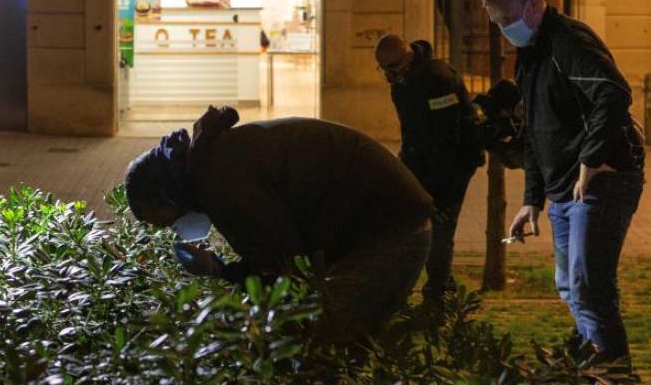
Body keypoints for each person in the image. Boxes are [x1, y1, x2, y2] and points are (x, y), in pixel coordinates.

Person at [482, 0, 645, 385]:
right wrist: (532, 199)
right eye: (498, 24)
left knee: (591, 290)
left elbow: (613, 94)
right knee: (574, 289)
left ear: (534, 3)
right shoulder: (531, 55)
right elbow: (535, 132)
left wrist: (592, 159)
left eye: (509, 19)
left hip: (601, 181)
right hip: (565, 190)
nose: (505, 30)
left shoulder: (567, 40)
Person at [125, 106, 434, 344]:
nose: (171, 228)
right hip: (388, 221)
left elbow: (284, 270)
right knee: (341, 341)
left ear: (167, 194)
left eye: (162, 219)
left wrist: (223, 272)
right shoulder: (210, 164)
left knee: (329, 345)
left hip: (390, 230)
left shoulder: (219, 181)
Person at [374, 35, 484, 301]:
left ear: (407, 58)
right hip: (422, 161)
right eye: (384, 70)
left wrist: (437, 192)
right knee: (417, 225)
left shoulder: (439, 80)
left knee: (440, 228)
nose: (388, 75)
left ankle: (439, 297)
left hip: (454, 165)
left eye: (392, 69)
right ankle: (441, 286)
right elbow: (413, 132)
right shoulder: (403, 82)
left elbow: (447, 139)